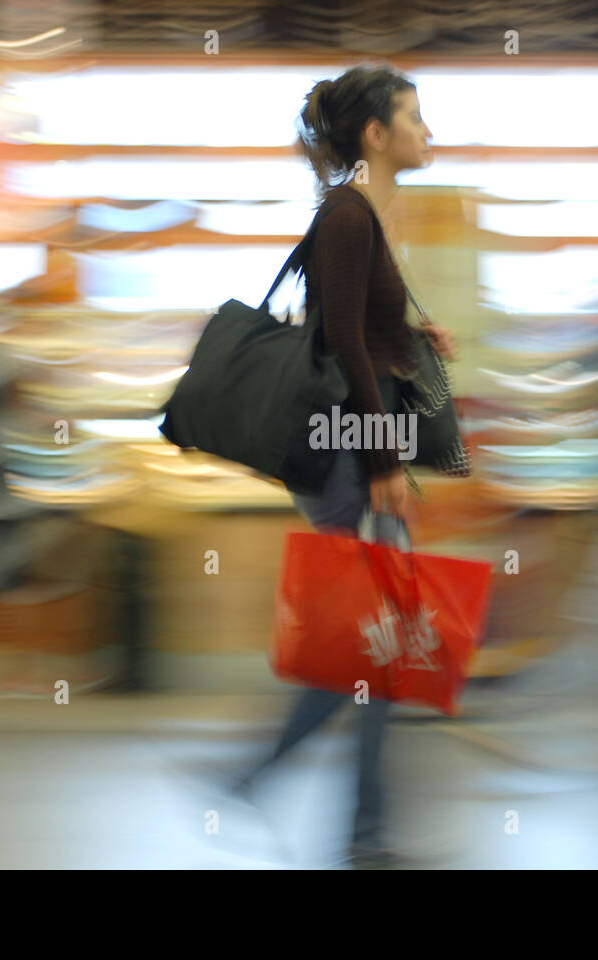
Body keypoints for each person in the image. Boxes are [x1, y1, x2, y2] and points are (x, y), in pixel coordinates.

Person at [227, 63, 455, 869]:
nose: (430, 132)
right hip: (356, 460)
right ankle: (331, 815)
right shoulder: (349, 215)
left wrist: (416, 345)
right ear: (375, 133)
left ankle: (309, 803)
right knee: (376, 644)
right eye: (415, 116)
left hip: (357, 452)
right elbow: (344, 345)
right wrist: (386, 460)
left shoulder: (361, 211)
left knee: (375, 642)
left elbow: (358, 330)